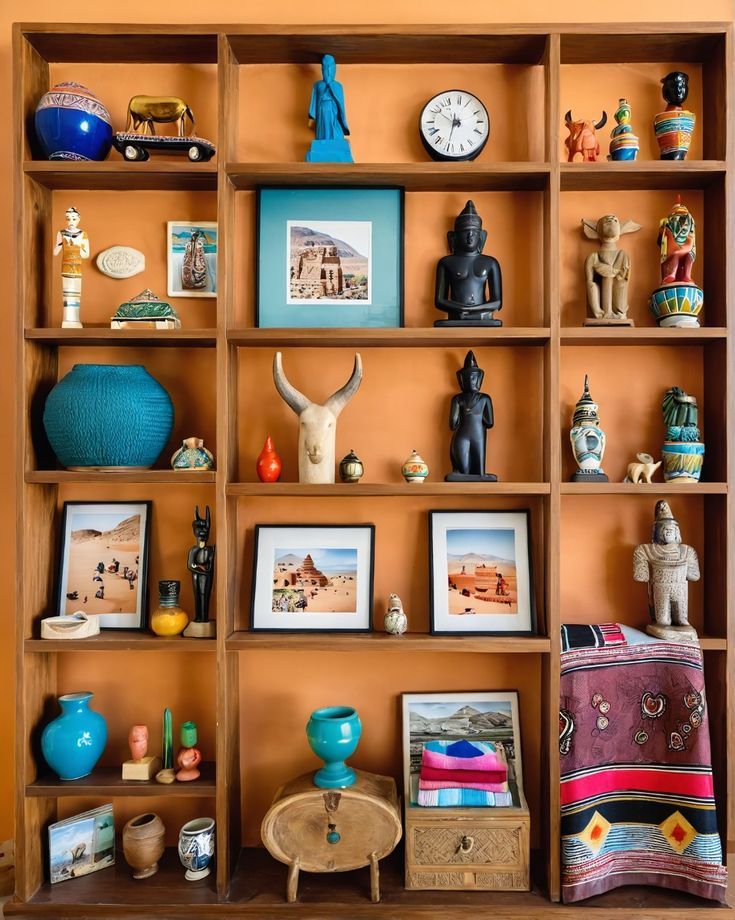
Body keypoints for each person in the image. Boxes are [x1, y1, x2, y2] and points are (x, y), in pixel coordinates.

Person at [434, 201, 502, 326]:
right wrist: (461, 308)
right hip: (456, 316)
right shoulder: (446, 262)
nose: (470, 238)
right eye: (465, 233)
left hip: (483, 317)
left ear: (481, 236)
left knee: (496, 323)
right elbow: (439, 301)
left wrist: (471, 309)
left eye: (474, 233)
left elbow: (497, 302)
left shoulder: (491, 263)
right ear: (454, 236)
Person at [445, 351, 496, 482]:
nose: (470, 380)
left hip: (478, 437)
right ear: (462, 380)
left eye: (473, 377)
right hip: (461, 438)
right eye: (468, 378)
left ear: (479, 378)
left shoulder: (485, 399)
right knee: (464, 471)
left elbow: (490, 423)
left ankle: (479, 476)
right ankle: (468, 476)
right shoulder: (457, 399)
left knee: (479, 471)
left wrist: (470, 412)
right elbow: (452, 425)